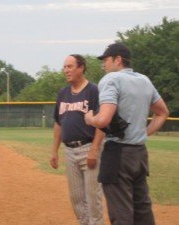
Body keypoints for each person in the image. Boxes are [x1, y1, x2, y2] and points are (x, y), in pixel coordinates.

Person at [84, 43, 169, 225]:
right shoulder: (144, 80)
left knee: (121, 212)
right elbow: (162, 112)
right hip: (139, 154)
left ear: (118, 60)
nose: (104, 65)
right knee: (142, 210)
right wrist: (143, 133)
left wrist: (90, 119)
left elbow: (104, 119)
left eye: (106, 60)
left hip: (118, 154)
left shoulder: (112, 79)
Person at [50, 54, 104, 225]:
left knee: (93, 198)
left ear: (81, 68)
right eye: (65, 67)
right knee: (77, 199)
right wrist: (54, 151)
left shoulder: (93, 90)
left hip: (88, 148)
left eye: (70, 66)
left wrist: (94, 150)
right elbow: (58, 123)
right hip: (69, 151)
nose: (66, 70)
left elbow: (101, 123)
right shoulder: (63, 93)